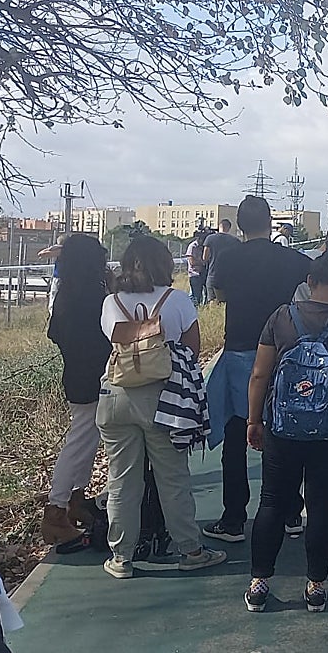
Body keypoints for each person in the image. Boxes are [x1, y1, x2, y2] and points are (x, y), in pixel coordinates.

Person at [243, 253, 328, 614]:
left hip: (282, 424)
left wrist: (254, 420)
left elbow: (260, 374)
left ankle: (259, 584)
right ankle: (315, 586)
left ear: (310, 279)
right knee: (322, 504)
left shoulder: (282, 317)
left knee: (272, 501)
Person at [97, 236, 226, 579]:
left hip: (115, 394)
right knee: (173, 478)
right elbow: (193, 349)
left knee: (122, 480)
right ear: (164, 264)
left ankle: (121, 557)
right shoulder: (178, 300)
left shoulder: (112, 302)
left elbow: (111, 340)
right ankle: (190, 550)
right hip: (164, 399)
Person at [205, 196, 313, 543]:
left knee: (236, 437)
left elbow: (217, 293)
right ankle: (291, 512)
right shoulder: (292, 259)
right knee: (286, 434)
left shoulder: (228, 256)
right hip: (284, 352)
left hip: (239, 352)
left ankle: (234, 518)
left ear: (239, 224)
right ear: (270, 222)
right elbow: (313, 278)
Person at [42, 233, 113, 549]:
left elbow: (54, 332)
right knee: (81, 439)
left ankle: (75, 500)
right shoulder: (97, 296)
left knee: (86, 438)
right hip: (97, 376)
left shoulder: (65, 293)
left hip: (75, 373)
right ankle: (56, 509)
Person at [202, 218, 240, 303]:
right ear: (229, 228)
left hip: (213, 274)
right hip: (229, 276)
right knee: (227, 301)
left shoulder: (210, 239)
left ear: (219, 226)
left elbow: (205, 257)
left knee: (212, 300)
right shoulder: (235, 241)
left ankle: (213, 315)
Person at [186, 230, 209, 305]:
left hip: (203, 273)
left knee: (206, 294)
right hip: (195, 274)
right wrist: (203, 262)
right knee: (195, 296)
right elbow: (192, 262)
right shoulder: (192, 246)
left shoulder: (204, 247)